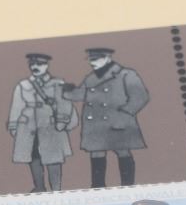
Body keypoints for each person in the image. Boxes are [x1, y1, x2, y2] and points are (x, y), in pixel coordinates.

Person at [63, 47, 148, 188]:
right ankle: (98, 187)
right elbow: (81, 95)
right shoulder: (91, 77)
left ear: (108, 58)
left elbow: (140, 97)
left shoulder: (126, 74)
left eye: (96, 59)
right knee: (96, 153)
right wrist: (67, 91)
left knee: (122, 151)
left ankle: (128, 186)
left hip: (118, 122)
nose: (92, 62)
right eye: (90, 59)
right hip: (96, 124)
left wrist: (124, 114)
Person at [8, 52, 76, 191]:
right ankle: (39, 188)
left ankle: (56, 189)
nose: (35, 67)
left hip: (50, 126)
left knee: (54, 159)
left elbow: (65, 104)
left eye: (39, 64)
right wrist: (14, 125)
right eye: (32, 64)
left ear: (46, 65)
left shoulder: (57, 84)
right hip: (29, 127)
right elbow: (17, 106)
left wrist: (62, 122)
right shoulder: (23, 85)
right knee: (33, 158)